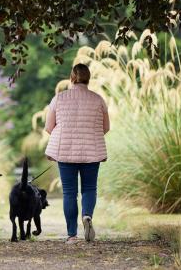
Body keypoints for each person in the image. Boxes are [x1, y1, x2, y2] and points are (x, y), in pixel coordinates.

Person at [44, 63, 110, 244]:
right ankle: (87, 216)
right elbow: (106, 127)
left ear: (72, 77)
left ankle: (72, 235)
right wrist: (89, 136)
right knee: (89, 188)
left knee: (69, 193)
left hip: (65, 153)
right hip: (92, 152)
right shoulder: (98, 99)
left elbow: (49, 127)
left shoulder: (59, 98)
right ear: (88, 78)